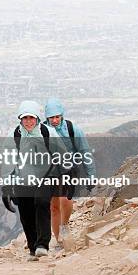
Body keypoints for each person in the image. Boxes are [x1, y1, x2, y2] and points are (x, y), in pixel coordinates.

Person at [2, 100, 67, 260]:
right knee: (26, 212)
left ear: (37, 118)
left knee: (41, 202)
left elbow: (63, 153)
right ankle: (32, 247)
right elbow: (7, 161)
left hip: (47, 176)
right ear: (20, 119)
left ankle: (42, 245)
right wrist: (6, 187)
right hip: (22, 179)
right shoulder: (14, 135)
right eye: (25, 118)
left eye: (32, 118)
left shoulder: (48, 133)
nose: (28, 122)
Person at [43, 98, 96, 246]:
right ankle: (59, 240)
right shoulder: (41, 131)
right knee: (53, 206)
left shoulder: (73, 129)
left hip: (69, 169)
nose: (54, 120)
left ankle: (64, 225)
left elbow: (85, 152)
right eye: (51, 117)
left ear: (62, 115)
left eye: (57, 117)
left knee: (65, 199)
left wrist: (91, 175)